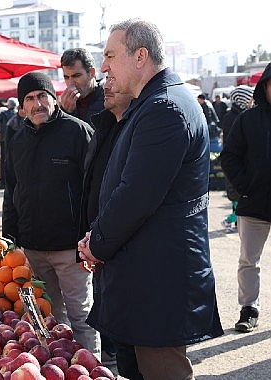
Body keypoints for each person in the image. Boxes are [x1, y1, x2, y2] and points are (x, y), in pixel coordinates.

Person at [78, 19, 223, 380]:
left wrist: (96, 243)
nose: (105, 66)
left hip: (158, 281)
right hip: (143, 276)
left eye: (111, 55)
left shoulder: (165, 109)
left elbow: (136, 196)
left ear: (140, 56)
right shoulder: (153, 104)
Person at [2, 71, 99, 356]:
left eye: (42, 96)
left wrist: (91, 237)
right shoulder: (17, 140)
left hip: (72, 248)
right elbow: (12, 190)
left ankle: (90, 371)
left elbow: (96, 189)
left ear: (54, 98)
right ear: (21, 106)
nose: (37, 104)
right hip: (33, 248)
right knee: (49, 319)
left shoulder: (78, 132)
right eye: (29, 99)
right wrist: (11, 236)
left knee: (82, 318)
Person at [79, 79, 133, 367]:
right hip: (100, 238)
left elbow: (130, 196)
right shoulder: (103, 126)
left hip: (116, 241)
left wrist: (97, 240)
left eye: (113, 81)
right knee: (111, 316)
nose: (106, 86)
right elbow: (89, 186)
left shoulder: (136, 127)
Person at [220, 61, 271, 334]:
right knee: (249, 261)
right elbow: (229, 156)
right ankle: (248, 309)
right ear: (265, 87)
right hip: (254, 203)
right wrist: (245, 185)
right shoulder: (248, 119)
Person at [218, 85, 254, 233]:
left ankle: (235, 224)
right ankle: (229, 220)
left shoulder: (229, 116)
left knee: (237, 199)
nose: (252, 101)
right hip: (238, 164)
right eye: (250, 98)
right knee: (241, 201)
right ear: (244, 99)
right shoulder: (240, 117)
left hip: (234, 163)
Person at [59, 48, 106, 126]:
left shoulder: (108, 100)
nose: (71, 83)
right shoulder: (66, 105)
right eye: (66, 77)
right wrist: (65, 113)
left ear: (91, 73)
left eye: (76, 76)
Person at [0, 97, 18, 189]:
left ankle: (4, 182)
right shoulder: (19, 114)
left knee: (4, 161)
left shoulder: (3, 114)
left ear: (8, 105)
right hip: (18, 141)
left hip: (5, 139)